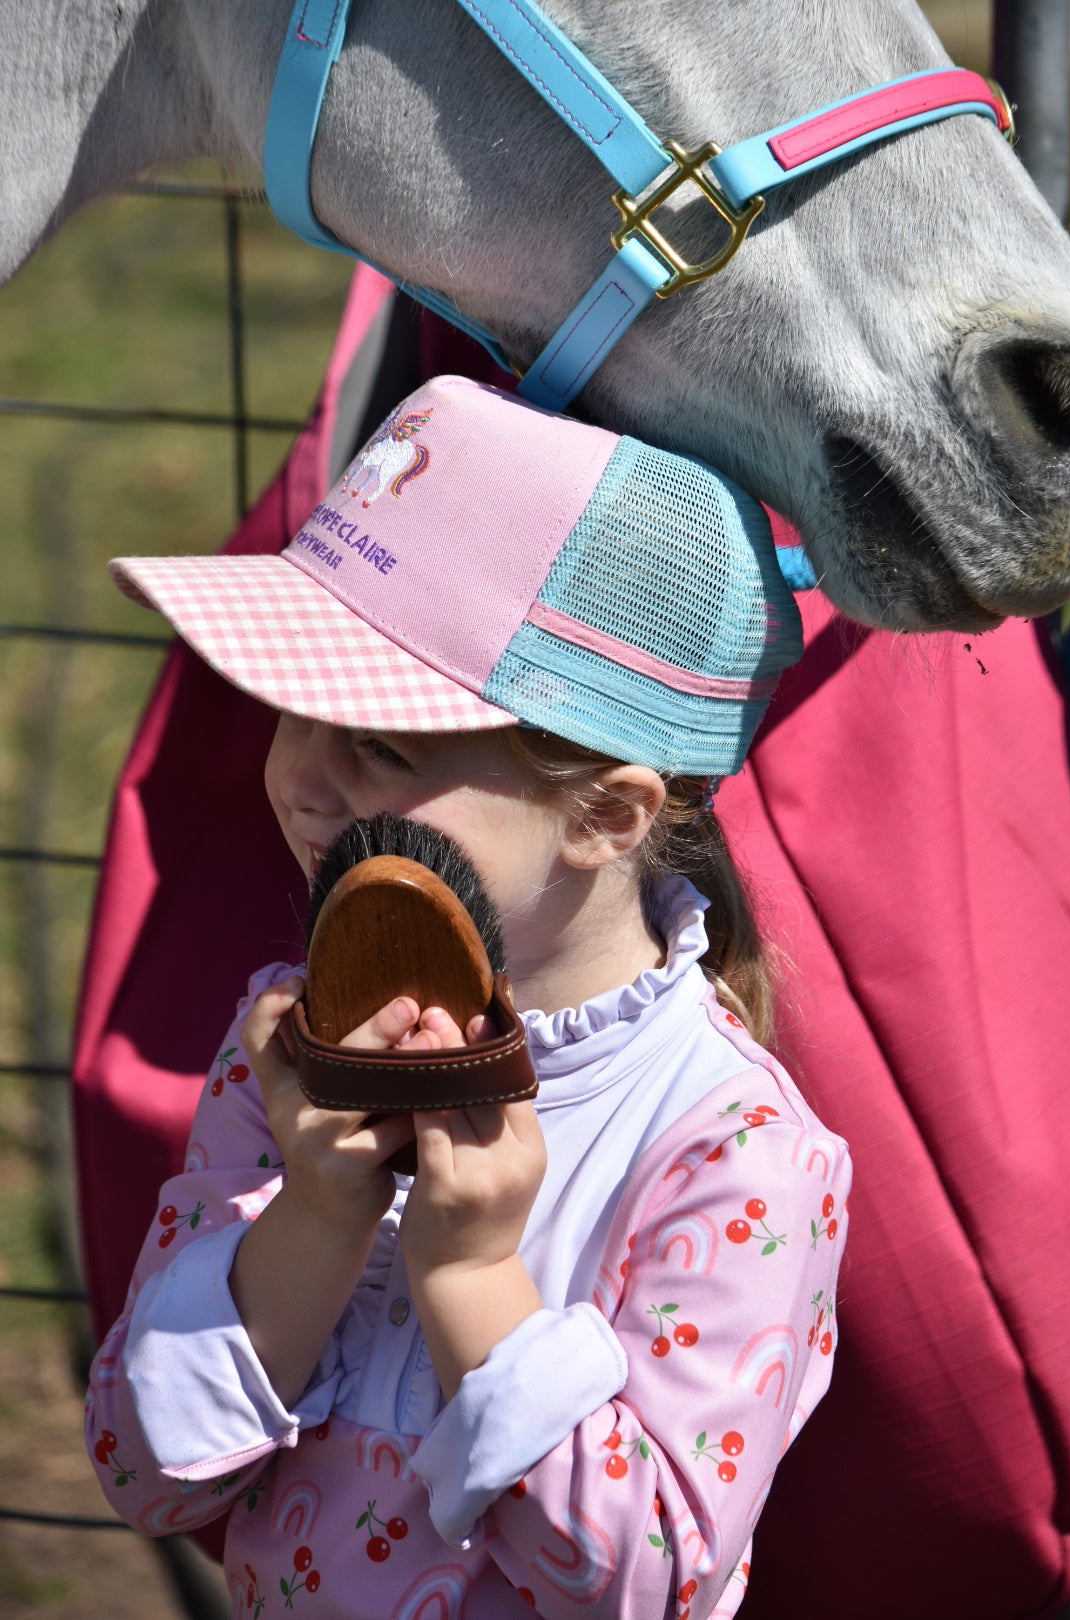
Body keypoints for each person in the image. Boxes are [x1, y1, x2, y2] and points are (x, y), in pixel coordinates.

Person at [86, 375, 851, 1620]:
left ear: (607, 815)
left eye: (380, 745)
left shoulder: (734, 1152)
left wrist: (472, 1271)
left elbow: (644, 1582)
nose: (303, 781)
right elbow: (143, 1473)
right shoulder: (287, 1052)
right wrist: (313, 1219)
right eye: (293, 714)